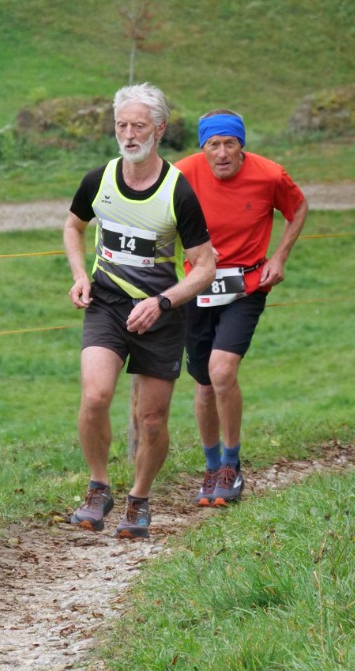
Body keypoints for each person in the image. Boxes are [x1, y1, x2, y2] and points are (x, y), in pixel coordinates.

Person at [63, 82, 216, 538]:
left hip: (161, 314)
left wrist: (163, 302)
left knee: (151, 421)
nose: (128, 135)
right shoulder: (99, 179)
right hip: (107, 304)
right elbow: (73, 227)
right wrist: (80, 275)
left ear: (160, 129)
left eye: (139, 126)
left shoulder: (178, 192)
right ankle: (99, 487)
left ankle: (140, 498)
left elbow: (205, 266)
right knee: (95, 397)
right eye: (121, 125)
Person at [175, 110, 308, 507]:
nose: (221, 153)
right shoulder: (181, 174)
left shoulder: (270, 175)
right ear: (203, 148)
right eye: (213, 145)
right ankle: (212, 467)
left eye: (229, 144)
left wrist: (279, 257)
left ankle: (231, 465)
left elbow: (298, 208)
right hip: (196, 287)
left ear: (241, 146)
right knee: (203, 383)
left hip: (245, 286)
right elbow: (160, 218)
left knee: (222, 370)